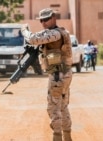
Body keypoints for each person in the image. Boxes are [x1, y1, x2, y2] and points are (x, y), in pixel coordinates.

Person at [21, 8, 73, 141]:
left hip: (58, 75)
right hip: (64, 74)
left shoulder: (56, 34)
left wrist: (25, 31)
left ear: (54, 17)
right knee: (62, 106)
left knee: (53, 107)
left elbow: (33, 39)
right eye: (41, 20)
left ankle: (57, 137)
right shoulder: (61, 32)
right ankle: (67, 136)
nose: (43, 22)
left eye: (46, 19)